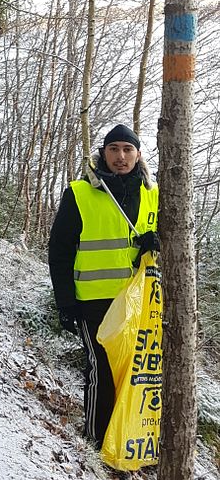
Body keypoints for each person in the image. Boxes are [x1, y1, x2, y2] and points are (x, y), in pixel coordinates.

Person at [48, 124, 160, 448]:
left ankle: (125, 440)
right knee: (101, 367)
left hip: (138, 301)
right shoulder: (80, 193)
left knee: (132, 371)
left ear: (138, 154)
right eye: (114, 149)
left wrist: (157, 241)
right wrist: (65, 302)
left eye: (127, 149)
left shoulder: (154, 193)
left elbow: (171, 239)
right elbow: (59, 251)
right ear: (103, 153)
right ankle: (96, 441)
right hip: (92, 300)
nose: (120, 157)